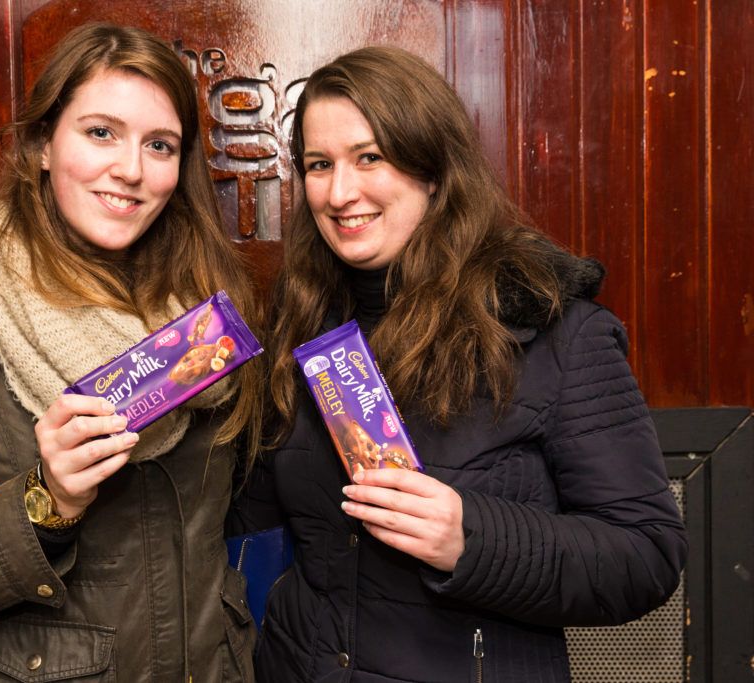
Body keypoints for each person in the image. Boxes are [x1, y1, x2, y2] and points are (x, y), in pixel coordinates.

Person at [233, 46, 687, 682]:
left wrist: (472, 537)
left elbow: (647, 556)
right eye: (318, 164)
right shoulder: (305, 323)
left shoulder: (556, 331)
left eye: (371, 157)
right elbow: (257, 522)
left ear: (434, 169)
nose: (340, 192)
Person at [0, 23, 262, 682]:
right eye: (101, 133)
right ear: (42, 144)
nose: (130, 169)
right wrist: (44, 501)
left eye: (159, 145)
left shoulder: (207, 322)